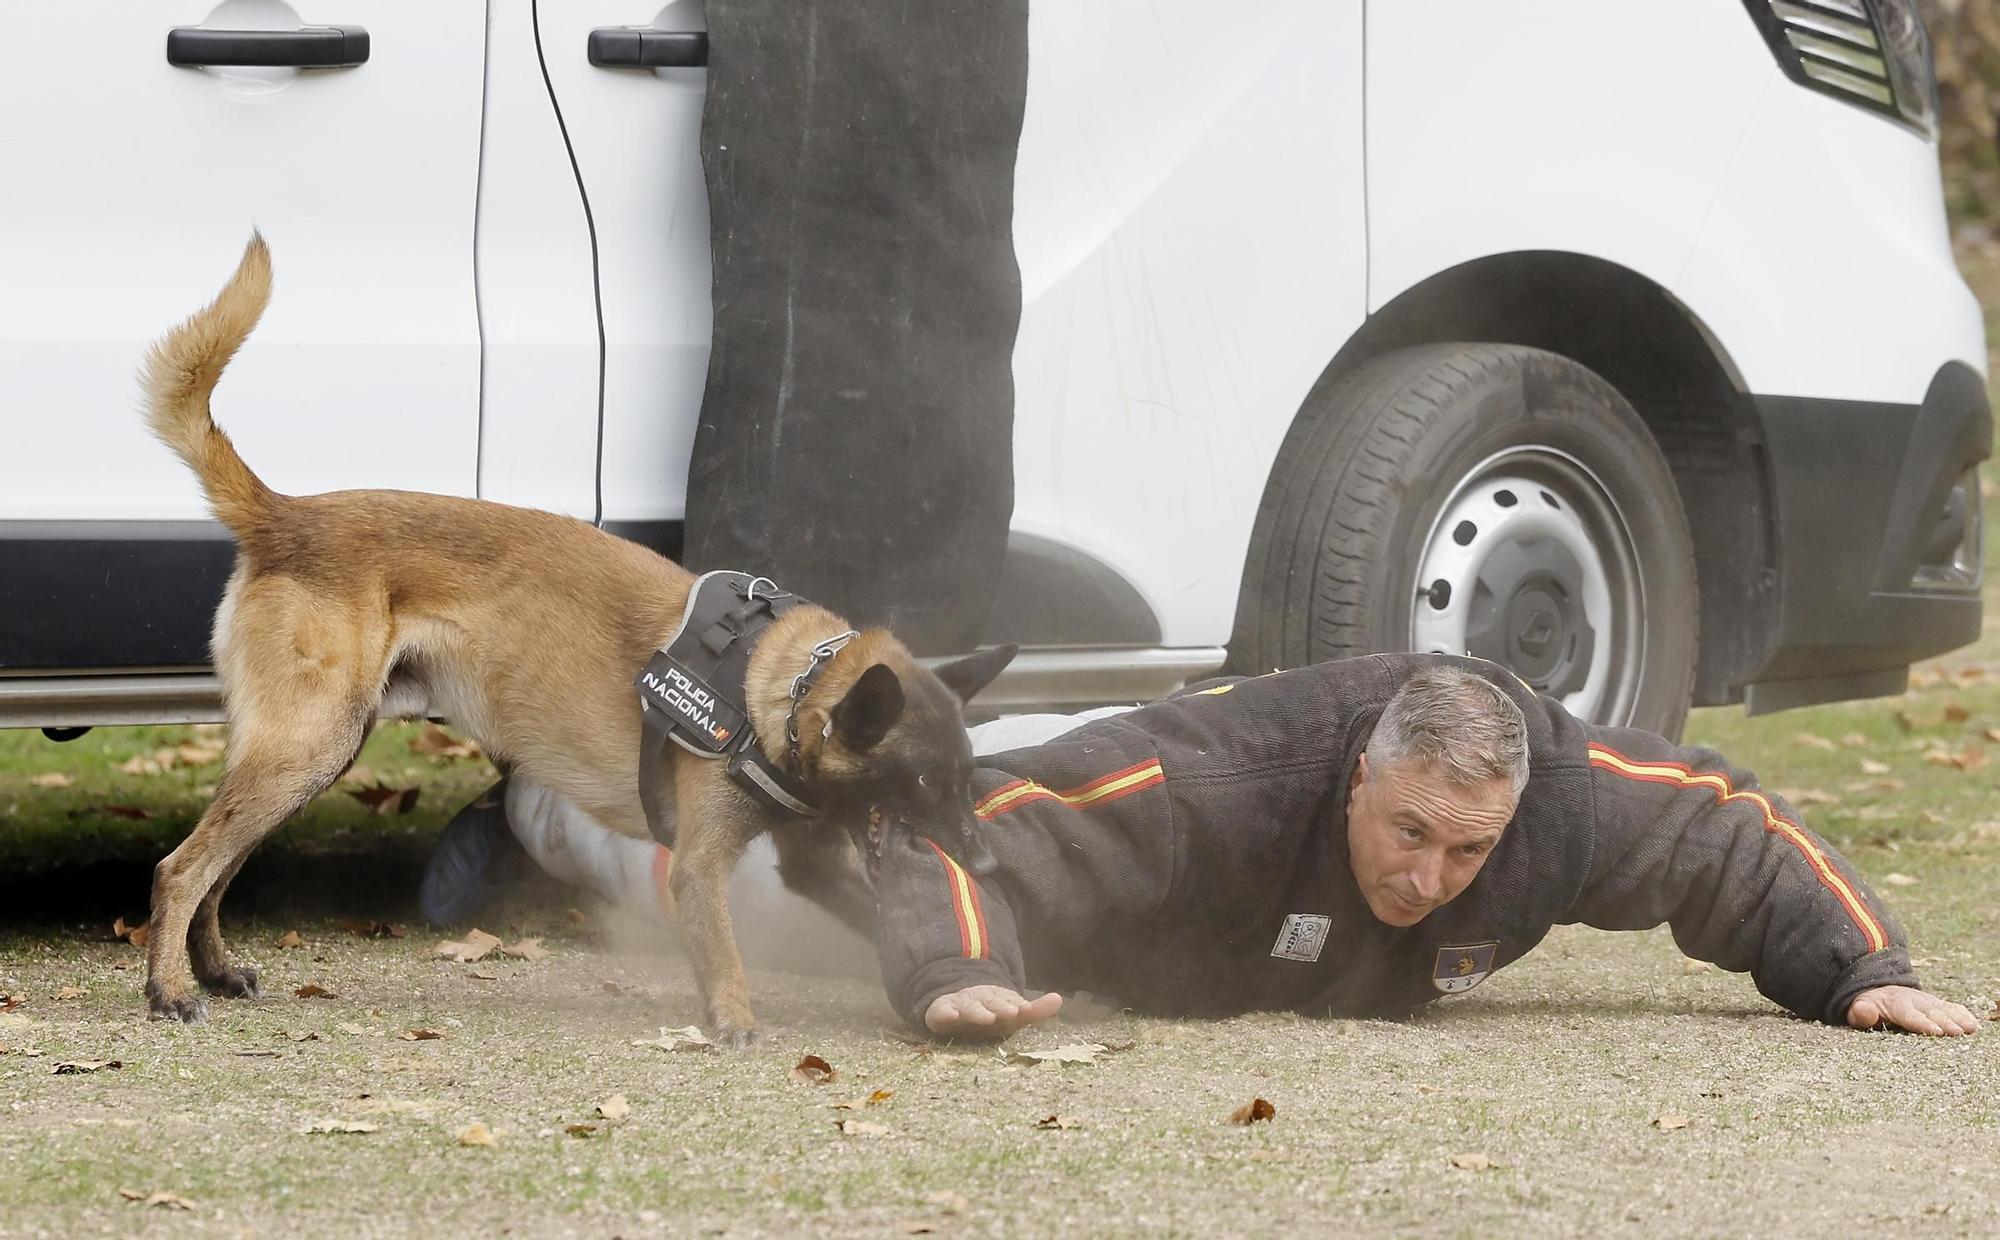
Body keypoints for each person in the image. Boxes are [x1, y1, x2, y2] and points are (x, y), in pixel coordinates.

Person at [869, 655, 1980, 1040]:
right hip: (1080, 939)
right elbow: (956, 822)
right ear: (1357, 776)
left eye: (1465, 852)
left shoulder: (1559, 803)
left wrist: (1859, 970)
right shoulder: (1213, 776)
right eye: (1408, 831)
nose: (1425, 878)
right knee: (824, 898)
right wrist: (955, 970)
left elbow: (1730, 830)